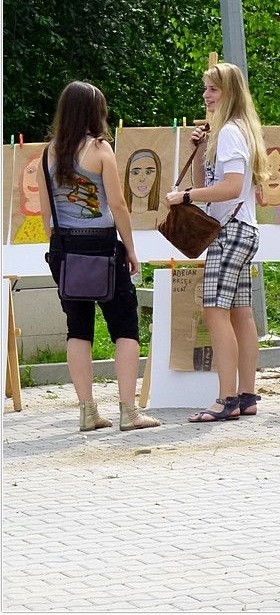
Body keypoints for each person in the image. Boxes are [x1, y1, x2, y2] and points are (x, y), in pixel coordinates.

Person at [37, 81, 160, 432]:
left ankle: (87, 411)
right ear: (96, 113)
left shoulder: (47, 154)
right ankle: (129, 411)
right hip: (103, 247)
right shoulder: (100, 149)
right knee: (125, 328)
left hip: (65, 249)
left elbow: (45, 213)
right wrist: (130, 248)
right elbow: (117, 204)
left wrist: (61, 246)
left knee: (78, 330)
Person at [165, 62, 268, 422]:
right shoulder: (231, 131)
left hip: (230, 231)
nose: (206, 96)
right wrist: (201, 150)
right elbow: (212, 183)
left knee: (214, 312)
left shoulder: (231, 133)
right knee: (240, 313)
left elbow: (231, 187)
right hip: (241, 229)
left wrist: (186, 197)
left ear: (229, 93)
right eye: (206, 88)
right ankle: (246, 395)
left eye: (213, 89)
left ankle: (226, 399)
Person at [123, 149, 162, 214]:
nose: (142, 179)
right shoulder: (118, 212)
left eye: (148, 172)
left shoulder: (161, 213)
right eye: (135, 172)